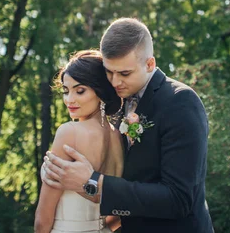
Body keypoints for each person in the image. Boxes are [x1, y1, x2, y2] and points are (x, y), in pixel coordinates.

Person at [42, 18, 213, 233]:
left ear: (149, 64)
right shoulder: (120, 104)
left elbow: (178, 199)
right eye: (109, 72)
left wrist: (94, 182)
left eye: (124, 73)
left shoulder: (180, 102)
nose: (114, 82)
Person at [34, 50, 125, 233]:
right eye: (66, 91)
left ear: (99, 91)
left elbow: (43, 219)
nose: (69, 100)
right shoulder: (120, 137)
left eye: (80, 91)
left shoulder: (69, 132)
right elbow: (115, 216)